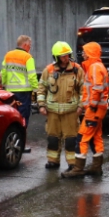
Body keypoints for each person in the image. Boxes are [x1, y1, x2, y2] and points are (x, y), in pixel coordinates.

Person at [36, 41, 85, 170]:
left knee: (71, 140)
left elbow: (84, 90)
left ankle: (72, 164)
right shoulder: (49, 70)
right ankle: (53, 161)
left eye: (68, 55)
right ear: (56, 57)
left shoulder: (77, 70)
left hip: (71, 112)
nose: (66, 58)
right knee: (53, 138)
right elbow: (41, 88)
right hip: (52, 112)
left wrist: (81, 106)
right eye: (63, 56)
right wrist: (41, 105)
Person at [63, 42, 108, 179]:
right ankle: (96, 167)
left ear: (91, 53)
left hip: (94, 110)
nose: (83, 54)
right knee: (96, 137)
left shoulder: (94, 67)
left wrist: (92, 106)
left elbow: (97, 88)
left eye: (85, 52)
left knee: (82, 138)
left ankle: (78, 168)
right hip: (98, 109)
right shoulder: (97, 66)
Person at [1, 35, 39, 123]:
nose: (30, 47)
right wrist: (36, 90)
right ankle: (22, 135)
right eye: (30, 45)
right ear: (25, 45)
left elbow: (4, 73)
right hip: (24, 93)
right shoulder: (28, 57)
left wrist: (4, 85)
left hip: (10, 92)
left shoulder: (8, 55)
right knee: (23, 116)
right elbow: (32, 76)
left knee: (10, 114)